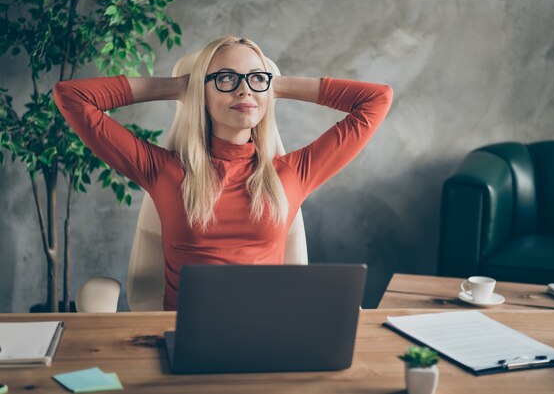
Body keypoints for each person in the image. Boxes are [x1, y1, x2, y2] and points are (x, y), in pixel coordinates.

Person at [53, 35, 393, 310]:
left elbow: (377, 99)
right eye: (226, 79)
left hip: (270, 335)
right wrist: (176, 88)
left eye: (255, 78)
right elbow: (72, 96)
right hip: (184, 334)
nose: (244, 90)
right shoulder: (163, 171)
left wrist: (277, 86)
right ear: (201, 89)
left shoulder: (291, 173)